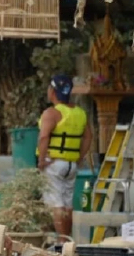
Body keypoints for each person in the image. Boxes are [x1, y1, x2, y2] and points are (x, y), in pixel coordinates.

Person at [36, 74, 93, 238]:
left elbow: (44, 137)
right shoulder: (80, 113)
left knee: (56, 203)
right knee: (68, 204)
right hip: (71, 165)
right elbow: (88, 136)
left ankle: (62, 243)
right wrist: (79, 157)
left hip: (54, 164)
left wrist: (41, 160)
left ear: (52, 91)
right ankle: (67, 239)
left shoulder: (51, 113)